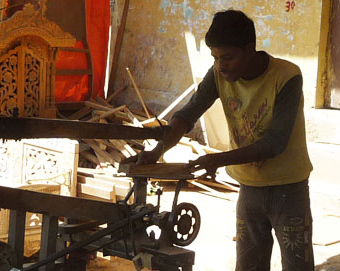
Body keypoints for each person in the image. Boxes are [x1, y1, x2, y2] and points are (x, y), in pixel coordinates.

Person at [129, 10, 314, 271]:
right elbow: (188, 114)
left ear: (249, 50)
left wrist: (218, 159)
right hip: (249, 187)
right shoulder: (218, 74)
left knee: (297, 266)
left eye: (228, 57)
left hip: (289, 189)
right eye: (215, 57)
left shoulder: (287, 76)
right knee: (248, 266)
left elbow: (276, 142)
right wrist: (157, 151)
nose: (221, 65)